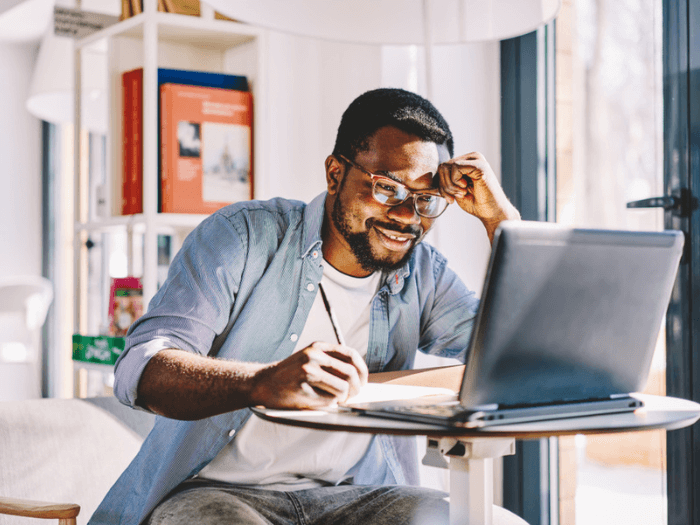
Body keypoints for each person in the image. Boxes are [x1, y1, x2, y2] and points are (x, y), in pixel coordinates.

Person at [90, 88, 522, 525]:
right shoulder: (243, 237)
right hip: (218, 495)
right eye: (387, 188)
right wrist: (261, 382)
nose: (407, 216)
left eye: (426, 199)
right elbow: (140, 370)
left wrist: (499, 218)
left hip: (357, 498)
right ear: (335, 174)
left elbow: (518, 356)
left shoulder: (424, 272)